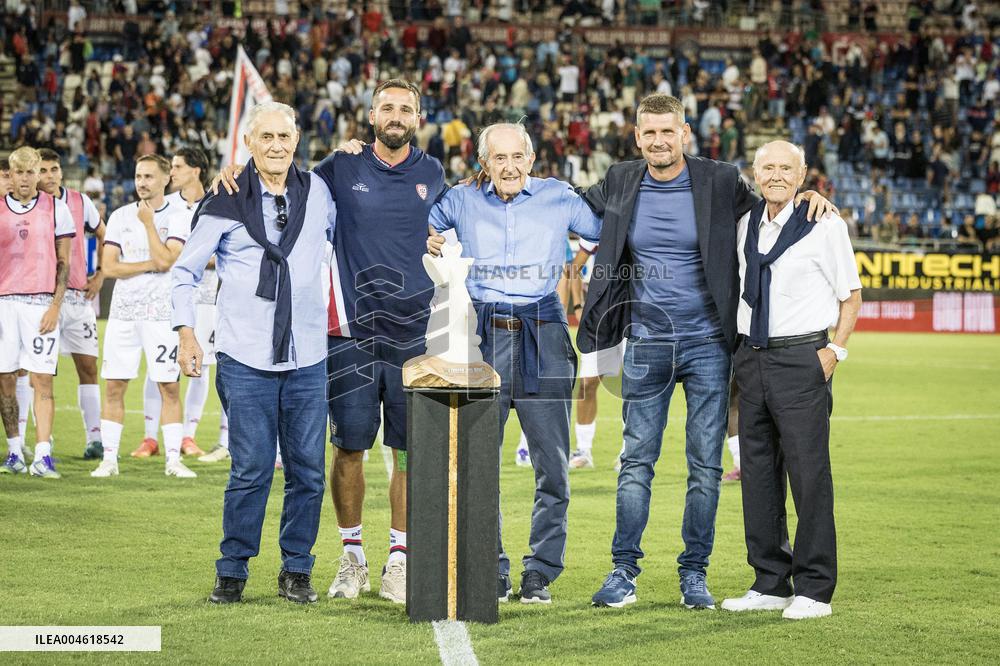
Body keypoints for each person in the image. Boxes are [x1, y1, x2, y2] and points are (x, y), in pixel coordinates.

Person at [579, 94, 834, 609]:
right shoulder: (620, 179)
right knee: (636, 462)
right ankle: (623, 571)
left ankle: (693, 574)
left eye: (667, 132)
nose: (658, 141)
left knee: (705, 466)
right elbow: (563, 206)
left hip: (709, 344)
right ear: (636, 136)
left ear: (685, 133)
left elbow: (772, 204)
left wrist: (813, 199)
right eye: (648, 133)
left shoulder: (720, 180)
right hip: (647, 340)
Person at [216, 79, 447, 605]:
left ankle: (400, 559)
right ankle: (352, 557)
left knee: (408, 453)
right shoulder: (339, 168)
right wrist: (230, 173)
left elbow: (451, 226)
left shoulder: (434, 173)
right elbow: (277, 179)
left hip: (416, 335)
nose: (396, 114)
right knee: (349, 449)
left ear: (418, 117)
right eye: (386, 106)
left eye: (405, 108)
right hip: (350, 336)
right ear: (370, 115)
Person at [427, 122, 602, 604]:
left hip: (543, 326)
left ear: (531, 159)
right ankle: (493, 567)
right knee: (479, 462)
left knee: (553, 464)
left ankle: (540, 572)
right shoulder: (460, 199)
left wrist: (580, 264)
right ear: (484, 162)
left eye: (517, 157)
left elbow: (610, 230)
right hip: (481, 331)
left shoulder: (560, 197)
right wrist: (430, 239)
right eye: (497, 158)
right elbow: (417, 220)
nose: (508, 167)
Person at [174, 101, 337, 605]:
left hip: (308, 354)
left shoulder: (319, 192)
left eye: (284, 138)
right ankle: (232, 571)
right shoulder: (225, 200)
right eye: (265, 137)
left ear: (296, 141)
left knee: (309, 471)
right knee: (251, 469)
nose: (276, 146)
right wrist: (186, 332)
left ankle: (297, 570)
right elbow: (184, 272)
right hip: (246, 358)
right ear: (248, 144)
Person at [721, 140, 861, 620]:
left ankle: (816, 589)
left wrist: (834, 351)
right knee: (757, 476)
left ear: (802, 176)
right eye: (767, 167)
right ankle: (770, 581)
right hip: (751, 360)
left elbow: (852, 295)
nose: (776, 175)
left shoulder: (825, 225)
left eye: (786, 168)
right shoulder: (745, 224)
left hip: (802, 357)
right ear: (754, 173)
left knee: (808, 476)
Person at [89, 154, 195, 479]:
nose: (142, 182)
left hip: (162, 315)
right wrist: (151, 264)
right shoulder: (121, 216)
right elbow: (109, 267)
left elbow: (169, 260)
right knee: (114, 386)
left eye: (149, 176)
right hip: (123, 314)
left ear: (165, 179)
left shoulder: (180, 216)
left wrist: (149, 225)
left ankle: (174, 460)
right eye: (138, 176)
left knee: (169, 387)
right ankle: (109, 459)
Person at [137, 147, 221, 460]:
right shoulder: (166, 207)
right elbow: (163, 255)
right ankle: (149, 437)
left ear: (196, 169)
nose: (171, 172)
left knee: (203, 365)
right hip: (170, 296)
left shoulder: (218, 202)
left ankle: (189, 435)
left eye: (178, 166)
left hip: (208, 296)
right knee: (159, 364)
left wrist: (197, 259)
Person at [0, 147, 75, 478]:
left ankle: (43, 455)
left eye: (33, 172)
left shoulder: (58, 209)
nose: (27, 178)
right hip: (3, 304)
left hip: (40, 305)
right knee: (5, 381)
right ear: (11, 175)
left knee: (42, 380)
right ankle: (14, 451)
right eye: (20, 172)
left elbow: (64, 263)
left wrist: (55, 306)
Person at [36, 148, 106, 459]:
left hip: (78, 297)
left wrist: (102, 274)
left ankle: (95, 438)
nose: (48, 176)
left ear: (61, 172)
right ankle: (42, 441)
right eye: (42, 170)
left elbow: (106, 234)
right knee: (39, 372)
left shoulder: (80, 202)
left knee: (88, 367)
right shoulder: (28, 205)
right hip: (39, 298)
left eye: (53, 169)